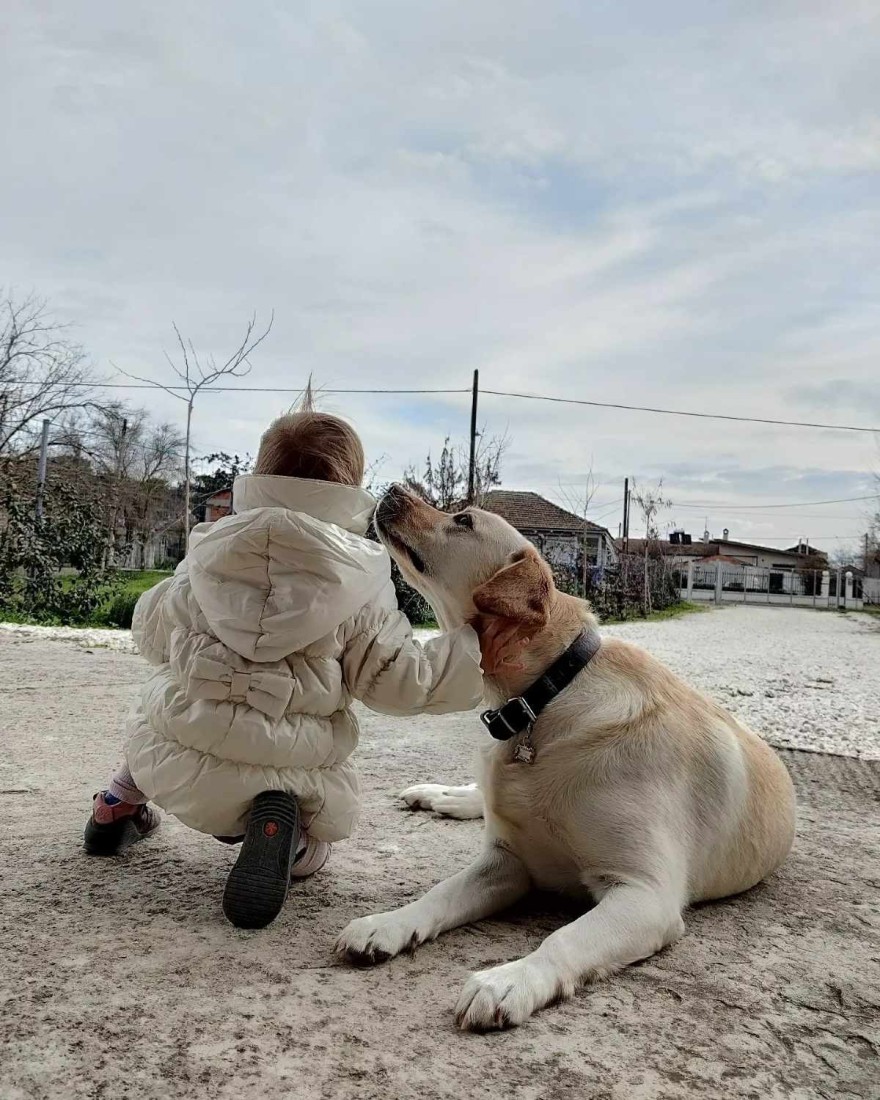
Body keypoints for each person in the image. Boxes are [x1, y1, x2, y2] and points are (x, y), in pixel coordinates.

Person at [83, 395, 483, 930]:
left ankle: (117, 802)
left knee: (158, 722)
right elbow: (400, 682)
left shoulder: (211, 552)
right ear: (349, 488)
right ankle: (287, 842)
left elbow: (154, 631)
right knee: (312, 836)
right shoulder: (361, 578)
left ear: (260, 473)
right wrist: (471, 646)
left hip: (178, 757)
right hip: (286, 768)